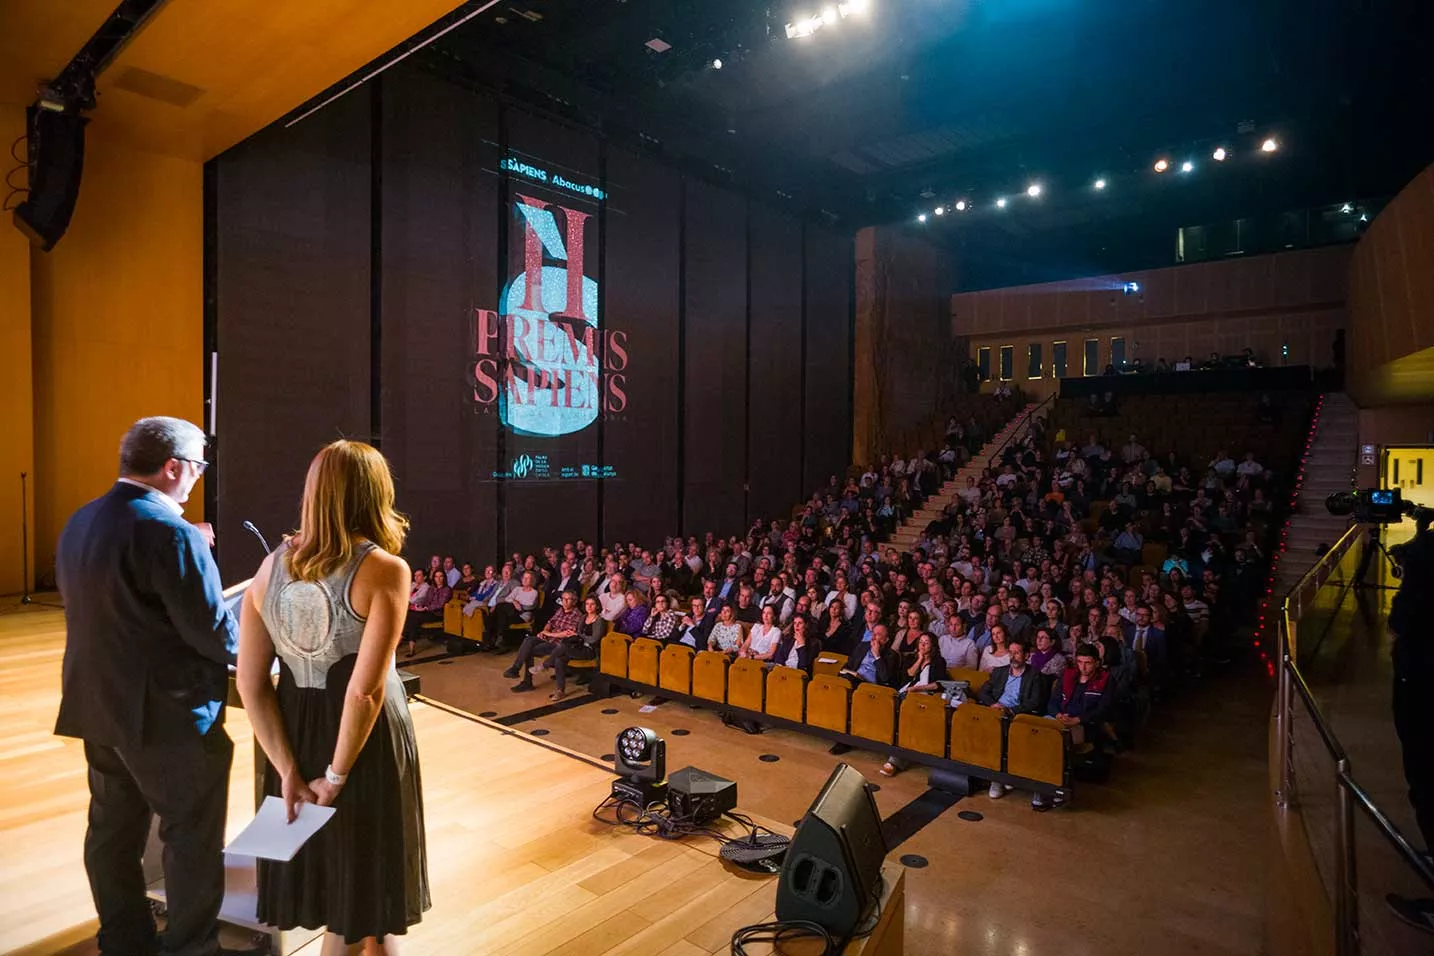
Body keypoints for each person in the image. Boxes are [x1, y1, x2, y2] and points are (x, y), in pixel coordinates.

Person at [54, 417, 251, 956]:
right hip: (168, 719)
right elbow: (214, 634)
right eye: (198, 468)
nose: (197, 479)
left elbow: (123, 608)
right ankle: (190, 949)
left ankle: (123, 941)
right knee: (190, 837)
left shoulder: (81, 520)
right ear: (174, 467)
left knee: (112, 833)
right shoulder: (174, 534)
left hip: (98, 706)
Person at [236, 439, 429, 953]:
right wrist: (335, 776)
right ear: (376, 494)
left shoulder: (268, 568)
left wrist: (288, 772)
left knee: (341, 889)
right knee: (364, 889)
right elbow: (363, 692)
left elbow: (250, 683)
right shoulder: (385, 570)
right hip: (361, 745)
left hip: (291, 731)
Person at [976, 638, 1048, 800]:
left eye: (1017, 652)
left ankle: (999, 778)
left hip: (1017, 715)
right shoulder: (999, 672)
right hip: (995, 711)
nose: (1013, 656)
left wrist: (1009, 710)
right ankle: (997, 776)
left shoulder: (1035, 675)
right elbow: (982, 692)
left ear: (1027, 655)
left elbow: (1035, 702)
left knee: (1001, 735)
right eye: (1011, 652)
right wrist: (994, 704)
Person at [505, 588, 583, 692]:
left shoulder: (577, 615)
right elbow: (550, 622)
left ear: (574, 601)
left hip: (558, 645)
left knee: (528, 651)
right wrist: (544, 631)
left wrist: (548, 633)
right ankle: (515, 668)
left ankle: (527, 682)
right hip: (549, 638)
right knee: (529, 640)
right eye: (563, 598)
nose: (565, 601)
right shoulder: (560, 610)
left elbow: (567, 634)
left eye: (568, 599)